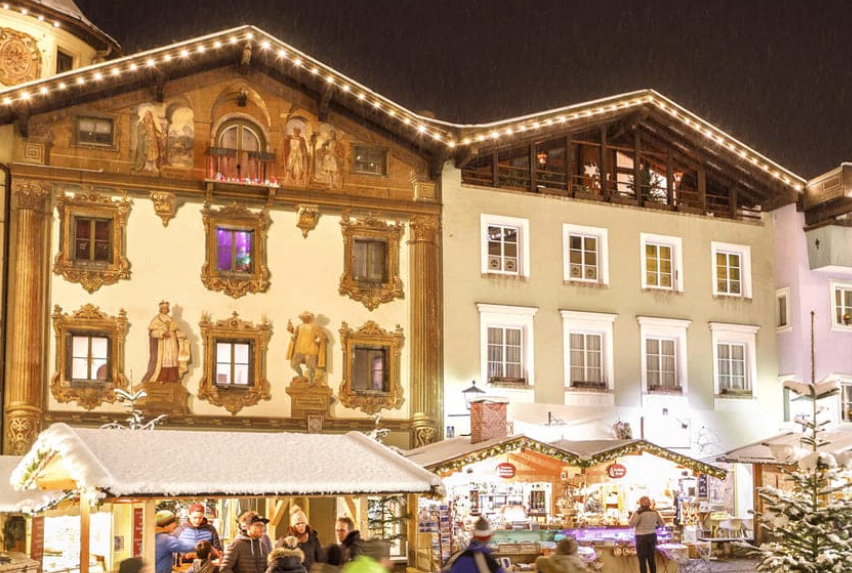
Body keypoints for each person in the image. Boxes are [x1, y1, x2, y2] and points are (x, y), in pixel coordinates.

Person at [142, 301, 190, 383]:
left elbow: (176, 330)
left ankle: (173, 378)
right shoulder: (156, 319)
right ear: (160, 309)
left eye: (166, 308)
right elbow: (153, 333)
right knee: (163, 360)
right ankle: (161, 378)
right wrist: (162, 333)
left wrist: (181, 335)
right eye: (163, 308)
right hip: (162, 343)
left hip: (172, 342)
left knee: (173, 359)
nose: (165, 310)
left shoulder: (172, 320)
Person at [286, 311, 327, 384]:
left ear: (309, 318)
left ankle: (310, 382)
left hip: (311, 350)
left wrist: (318, 339)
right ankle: (301, 377)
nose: (304, 319)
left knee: (310, 367)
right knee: (294, 364)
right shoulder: (299, 326)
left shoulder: (315, 327)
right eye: (303, 318)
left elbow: (322, 336)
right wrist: (291, 333)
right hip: (299, 349)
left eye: (305, 317)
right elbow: (295, 336)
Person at [278, 506, 323, 570]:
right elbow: (279, 561)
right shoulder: (285, 541)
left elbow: (320, 559)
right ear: (293, 526)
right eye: (297, 524)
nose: (301, 525)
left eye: (303, 523)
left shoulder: (313, 539)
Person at [629, 496, 665, 573]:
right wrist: (654, 526)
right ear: (649, 503)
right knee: (651, 559)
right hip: (652, 536)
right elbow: (662, 524)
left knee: (642, 560)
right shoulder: (655, 512)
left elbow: (631, 524)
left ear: (640, 503)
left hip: (641, 538)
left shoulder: (638, 513)